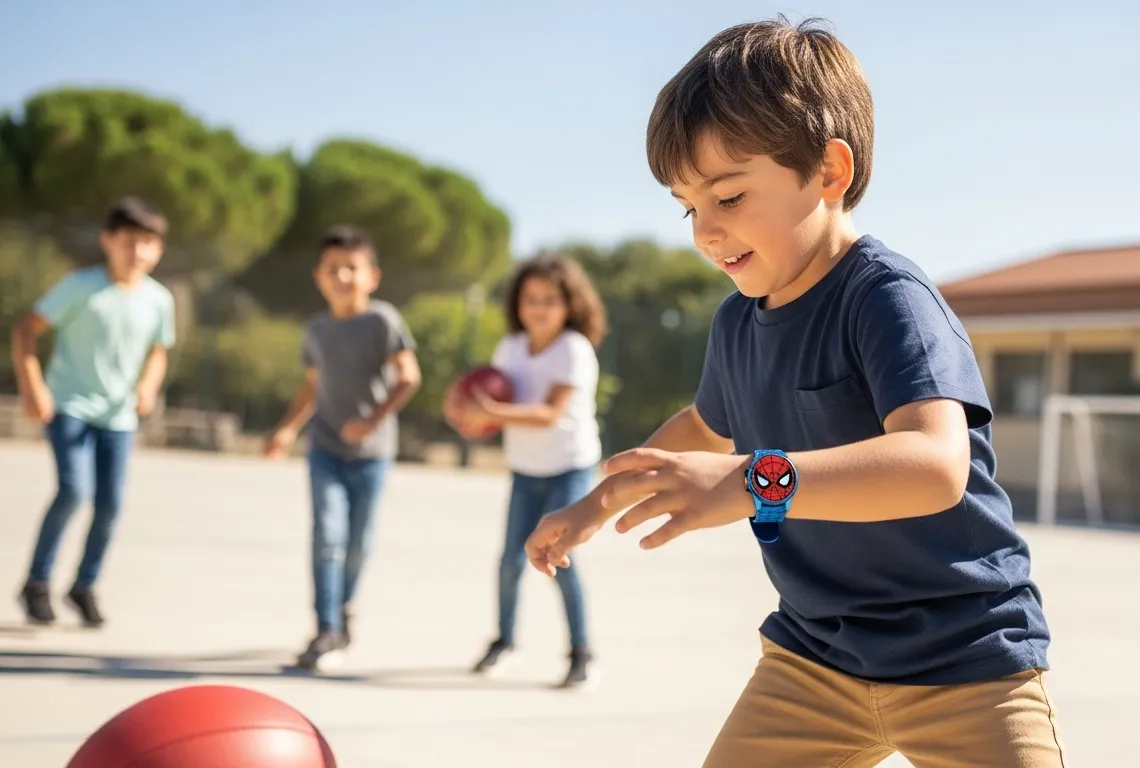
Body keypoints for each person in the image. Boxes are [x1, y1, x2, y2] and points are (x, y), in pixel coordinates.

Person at [526, 17, 1066, 767]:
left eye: (730, 196)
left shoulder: (888, 299)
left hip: (965, 659)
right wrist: (594, 503)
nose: (705, 232)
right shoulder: (738, 324)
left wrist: (754, 484)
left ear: (829, 172)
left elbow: (935, 466)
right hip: (814, 661)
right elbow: (705, 428)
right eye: (689, 207)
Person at [444, 254, 608, 690]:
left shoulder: (573, 349)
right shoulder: (510, 348)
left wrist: (491, 410)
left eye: (550, 299)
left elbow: (549, 413)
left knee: (561, 559)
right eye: (530, 299)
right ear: (517, 303)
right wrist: (465, 410)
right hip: (525, 471)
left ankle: (582, 654)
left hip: (569, 469)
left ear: (570, 304)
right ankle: (504, 643)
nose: (538, 307)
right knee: (510, 562)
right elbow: (488, 401)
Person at [13, 196, 176, 628]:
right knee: (73, 490)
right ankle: (37, 582)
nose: (138, 252)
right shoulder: (81, 287)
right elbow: (26, 331)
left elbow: (159, 350)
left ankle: (84, 586)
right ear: (108, 241)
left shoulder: (159, 300)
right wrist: (33, 388)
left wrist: (148, 385)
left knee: (110, 505)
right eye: (129, 241)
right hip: (69, 406)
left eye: (148, 243)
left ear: (158, 250)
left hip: (118, 417)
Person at [264, 224, 421, 672]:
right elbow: (312, 386)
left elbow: (409, 376)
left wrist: (371, 420)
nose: (342, 277)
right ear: (319, 276)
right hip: (325, 450)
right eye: (333, 269)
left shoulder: (382, 321)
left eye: (352, 268)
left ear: (372, 275)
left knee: (357, 545)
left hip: (372, 456)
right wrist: (287, 429)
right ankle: (326, 628)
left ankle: (344, 608)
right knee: (327, 538)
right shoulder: (315, 330)